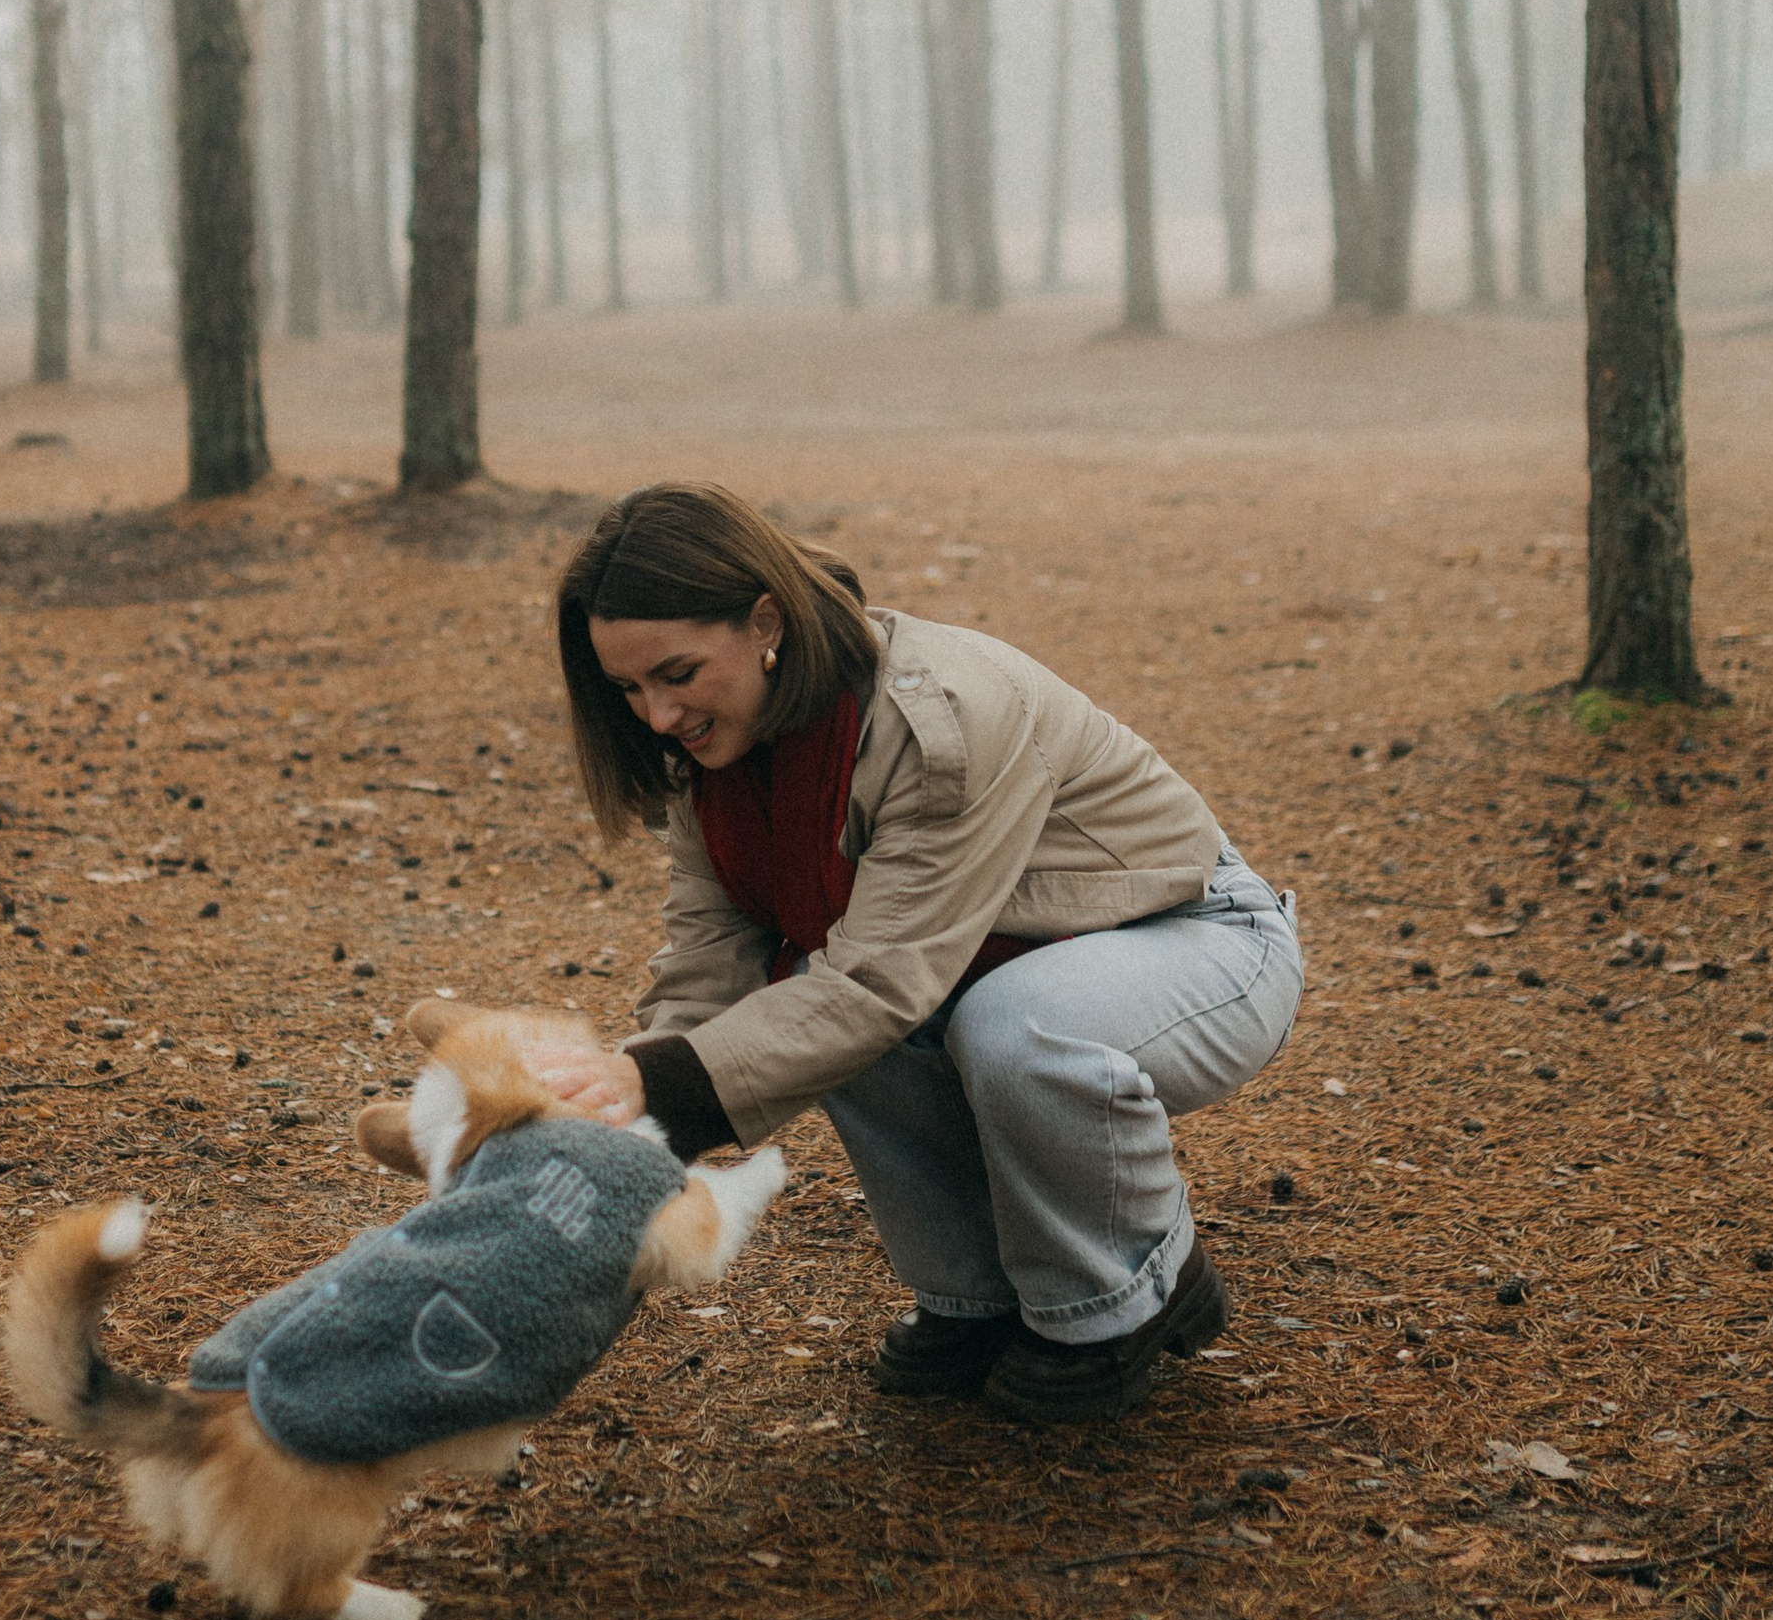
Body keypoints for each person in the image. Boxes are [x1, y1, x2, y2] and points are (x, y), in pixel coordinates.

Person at [536, 482, 1303, 1430]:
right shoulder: (720, 753)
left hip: (1190, 936)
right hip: (994, 956)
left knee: (999, 1025)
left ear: (765, 619)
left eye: (678, 673)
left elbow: (882, 979)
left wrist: (660, 1092)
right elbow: (712, 955)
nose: (655, 715)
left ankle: (1126, 1291)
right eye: (628, 689)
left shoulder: (938, 718)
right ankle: (975, 1300)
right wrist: (632, 1109)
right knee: (802, 1008)